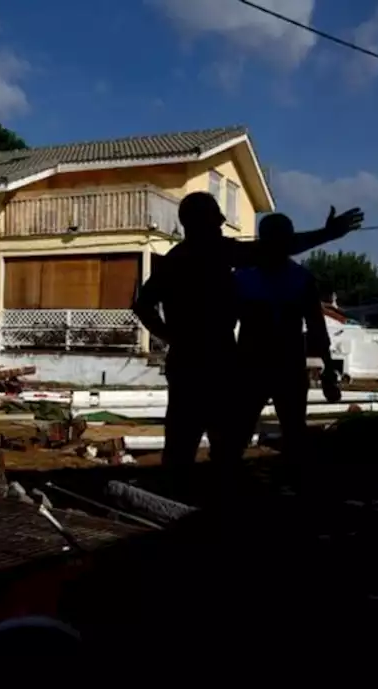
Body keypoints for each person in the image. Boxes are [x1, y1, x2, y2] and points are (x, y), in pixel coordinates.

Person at [131, 192, 362, 486]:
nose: (221, 225)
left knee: (188, 442)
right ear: (200, 224)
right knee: (223, 445)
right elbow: (274, 249)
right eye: (216, 221)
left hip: (195, 362)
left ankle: (181, 502)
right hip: (221, 363)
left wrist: (173, 337)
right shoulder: (219, 256)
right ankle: (212, 508)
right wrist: (328, 233)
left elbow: (142, 305)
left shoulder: (178, 261)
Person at [229, 213, 340, 466]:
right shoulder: (299, 279)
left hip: (259, 365)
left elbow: (316, 326)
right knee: (287, 430)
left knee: (242, 433)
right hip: (273, 365)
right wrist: (329, 367)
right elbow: (316, 328)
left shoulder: (244, 278)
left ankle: (230, 488)